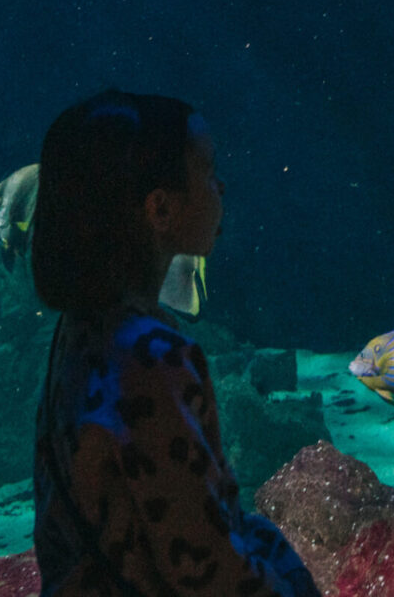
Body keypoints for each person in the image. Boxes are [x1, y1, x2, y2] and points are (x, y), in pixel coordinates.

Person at [30, 90, 319, 597]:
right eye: (207, 171)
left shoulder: (77, 331)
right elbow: (206, 568)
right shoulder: (150, 357)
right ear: (160, 207)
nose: (221, 185)